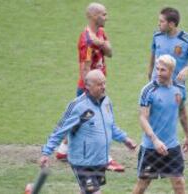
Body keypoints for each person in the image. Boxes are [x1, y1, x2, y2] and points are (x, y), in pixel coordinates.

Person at [40, 70, 137, 194]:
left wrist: (124, 139)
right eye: (99, 84)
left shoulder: (106, 102)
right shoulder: (78, 106)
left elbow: (110, 126)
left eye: (104, 83)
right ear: (87, 86)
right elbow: (60, 130)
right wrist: (46, 152)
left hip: (99, 159)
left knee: (86, 192)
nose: (103, 87)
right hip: (82, 162)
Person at [56, 2, 125, 172]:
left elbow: (110, 52)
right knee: (99, 123)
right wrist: (91, 93)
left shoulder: (99, 33)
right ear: (94, 16)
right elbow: (85, 68)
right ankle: (105, 158)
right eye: (103, 14)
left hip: (96, 86)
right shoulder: (86, 40)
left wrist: (100, 43)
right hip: (91, 88)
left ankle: (63, 150)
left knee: (79, 120)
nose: (106, 17)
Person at [133, 55, 188, 194]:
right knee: (142, 185)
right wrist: (155, 140)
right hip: (151, 147)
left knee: (179, 182)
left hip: (172, 145)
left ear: (171, 71)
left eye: (162, 70)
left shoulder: (179, 89)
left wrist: (187, 136)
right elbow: (143, 118)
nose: (158, 73)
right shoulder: (148, 90)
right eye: (157, 69)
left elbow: (182, 112)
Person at [147, 7, 188, 145]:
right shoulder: (157, 36)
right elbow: (153, 56)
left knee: (181, 111)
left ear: (171, 24)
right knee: (152, 111)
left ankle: (187, 138)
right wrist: (150, 74)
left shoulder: (187, 40)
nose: (158, 24)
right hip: (157, 82)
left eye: (162, 21)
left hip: (176, 85)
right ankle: (153, 140)